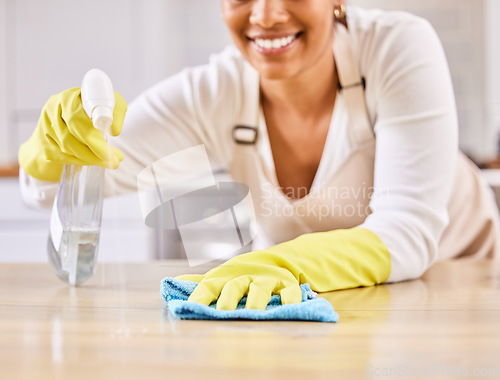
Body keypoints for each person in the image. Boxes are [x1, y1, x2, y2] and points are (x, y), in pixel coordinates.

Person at [18, 0, 499, 310]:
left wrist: (286, 264)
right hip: (343, 302)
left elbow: (407, 235)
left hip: (469, 286)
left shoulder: (396, 47)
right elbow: (53, 185)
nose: (266, 15)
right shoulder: (211, 92)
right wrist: (53, 145)